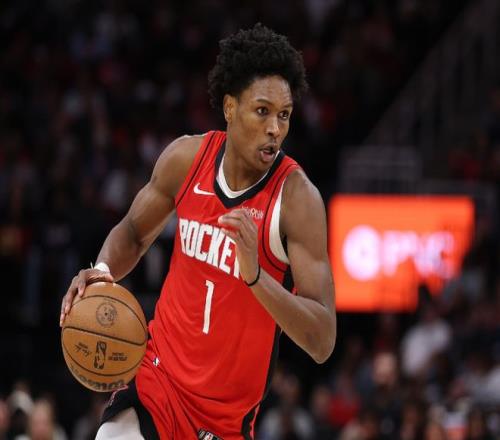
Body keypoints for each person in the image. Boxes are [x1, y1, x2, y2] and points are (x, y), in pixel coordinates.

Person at [60, 23, 336, 440]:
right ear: (230, 107)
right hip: (159, 378)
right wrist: (101, 271)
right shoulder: (187, 159)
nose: (275, 129)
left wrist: (256, 277)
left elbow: (322, 340)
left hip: (223, 419)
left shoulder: (297, 200)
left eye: (284, 115)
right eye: (262, 111)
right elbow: (133, 232)